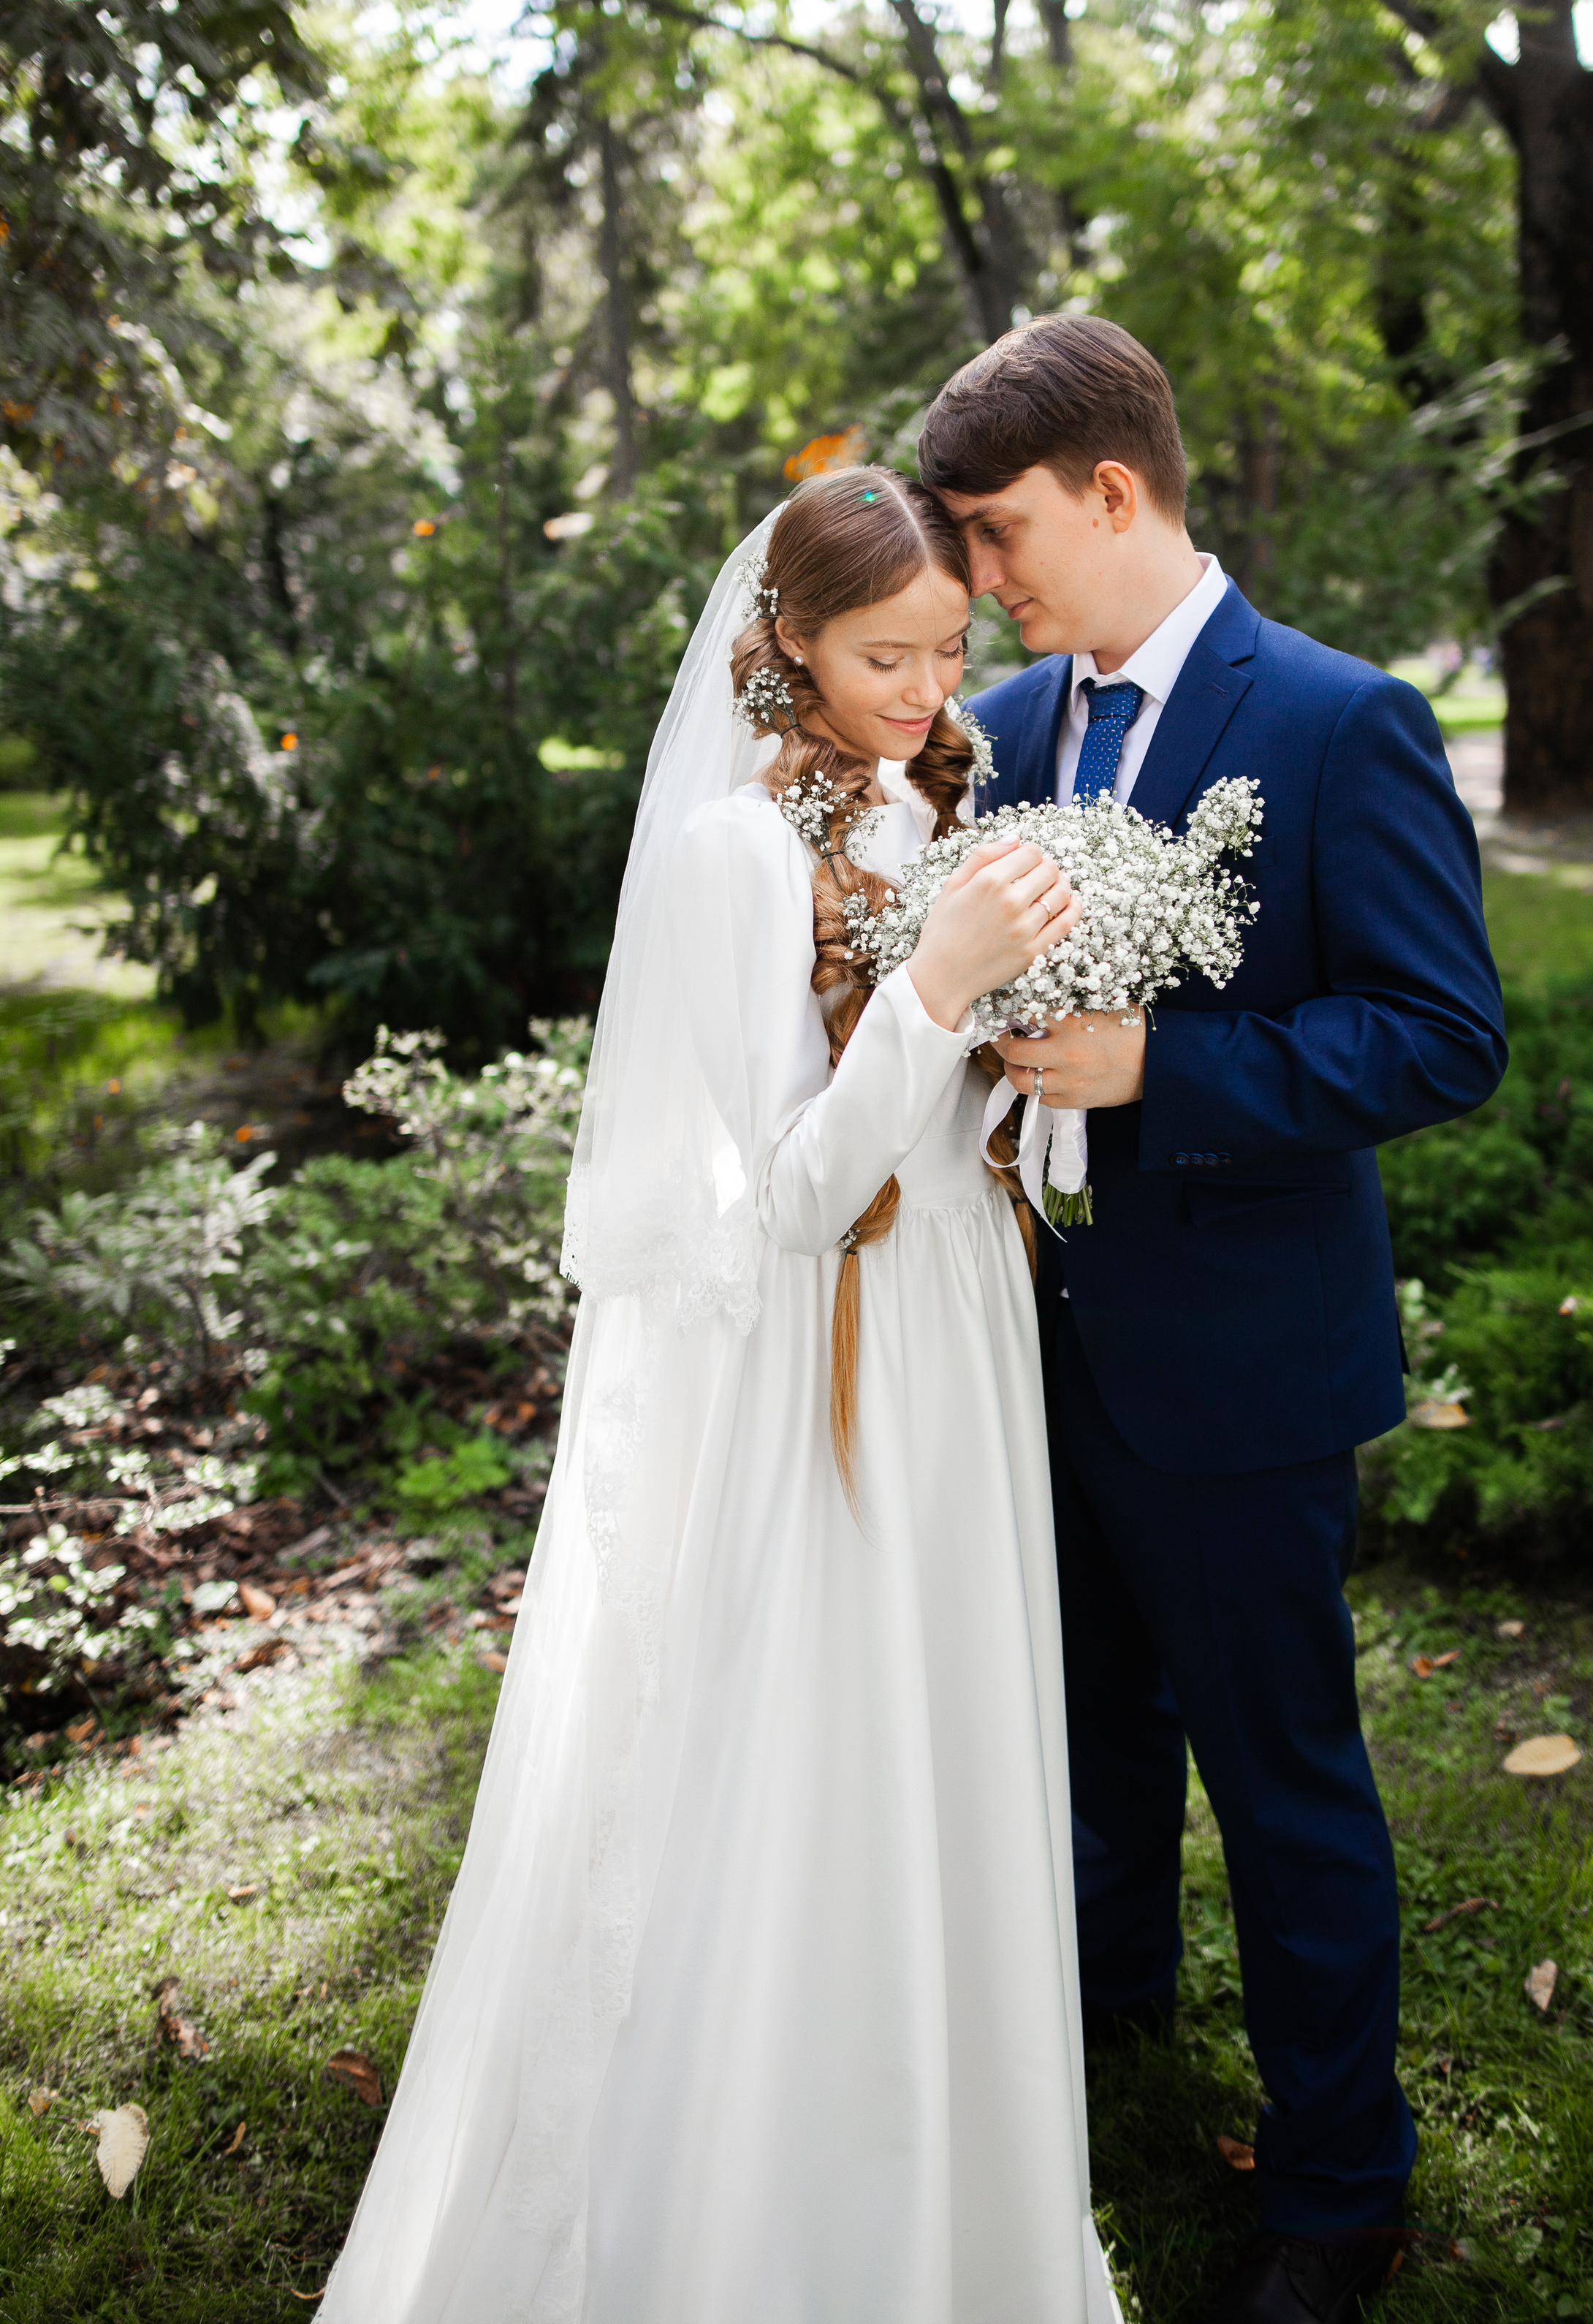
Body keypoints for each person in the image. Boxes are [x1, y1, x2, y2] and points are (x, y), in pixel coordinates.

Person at [317, 467, 1121, 2324]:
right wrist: (933, 991)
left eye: (945, 650)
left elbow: (952, 1125)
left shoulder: (941, 796)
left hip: (954, 1343)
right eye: (882, 656)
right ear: (784, 644)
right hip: (816, 1371)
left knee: (953, 1743)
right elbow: (779, 1202)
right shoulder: (726, 857)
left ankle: (963, 2206)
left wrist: (1035, 1046)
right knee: (822, 1761)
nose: (928, 692)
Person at [920, 316, 1508, 2324]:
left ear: (1115, 489)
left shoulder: (1345, 722)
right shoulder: (997, 726)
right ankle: (1100, 2041)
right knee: (1078, 1737)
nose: (984, 576)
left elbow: (1445, 1036)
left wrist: (1171, 1068)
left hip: (1245, 1364)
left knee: (1286, 1781)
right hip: (1028, 1342)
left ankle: (1343, 2189)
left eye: (1002, 531)